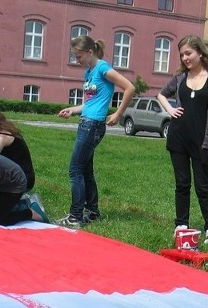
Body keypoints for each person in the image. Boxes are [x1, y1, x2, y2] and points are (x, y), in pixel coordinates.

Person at [56, 35, 135, 227]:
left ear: (90, 52)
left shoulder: (102, 68)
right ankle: (92, 212)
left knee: (75, 170)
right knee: (86, 170)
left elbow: (129, 87)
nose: (77, 60)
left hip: (93, 125)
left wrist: (118, 113)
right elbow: (90, 102)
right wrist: (72, 110)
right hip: (86, 122)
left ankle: (75, 216)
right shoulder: (89, 72)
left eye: (79, 56)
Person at [156, 34, 208, 245]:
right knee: (182, 184)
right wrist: (170, 109)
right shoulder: (179, 78)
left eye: (189, 53)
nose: (185, 58)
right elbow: (161, 95)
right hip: (178, 138)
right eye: (182, 55)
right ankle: (181, 225)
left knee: (203, 186)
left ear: (200, 52)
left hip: (202, 141)